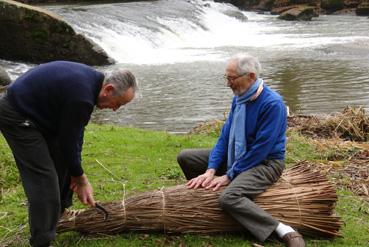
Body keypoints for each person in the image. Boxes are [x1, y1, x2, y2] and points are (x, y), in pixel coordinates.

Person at [0, 61, 137, 247]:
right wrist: (80, 178)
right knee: (43, 178)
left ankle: (59, 215)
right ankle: (41, 241)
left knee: (63, 157)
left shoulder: (92, 83)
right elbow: (69, 140)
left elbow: (75, 135)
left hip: (38, 113)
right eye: (118, 104)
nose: (115, 109)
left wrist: (77, 172)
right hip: (16, 114)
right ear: (108, 89)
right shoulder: (82, 97)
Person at [177, 54, 305, 247]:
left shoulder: (272, 104)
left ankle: (281, 229)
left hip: (266, 163)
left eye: (232, 78)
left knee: (229, 197)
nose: (228, 83)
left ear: (251, 76)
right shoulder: (240, 98)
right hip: (236, 156)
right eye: (226, 78)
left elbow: (260, 150)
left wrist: (230, 175)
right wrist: (211, 170)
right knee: (186, 157)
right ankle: (208, 200)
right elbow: (224, 138)